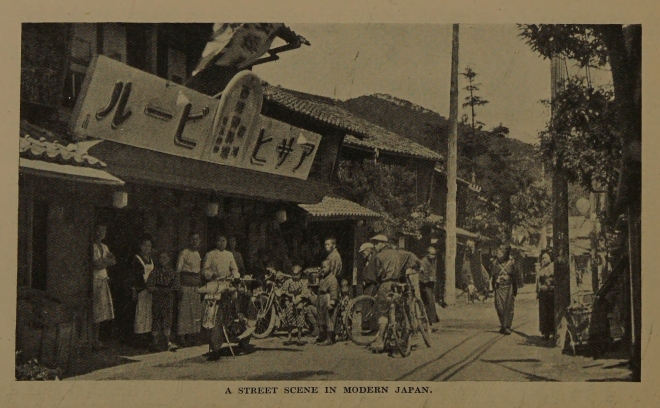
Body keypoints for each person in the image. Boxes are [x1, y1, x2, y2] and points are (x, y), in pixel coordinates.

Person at [368, 235, 421, 352]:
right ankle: (405, 335)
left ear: (382, 243)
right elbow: (414, 258)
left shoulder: (379, 256)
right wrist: (412, 269)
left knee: (383, 313)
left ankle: (380, 340)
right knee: (401, 308)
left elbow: (377, 275)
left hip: (386, 285)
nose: (375, 246)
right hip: (398, 284)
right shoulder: (399, 253)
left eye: (376, 243)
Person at [202, 235, 239, 361]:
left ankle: (233, 333)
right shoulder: (210, 254)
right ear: (215, 241)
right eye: (219, 240)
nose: (222, 243)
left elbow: (235, 269)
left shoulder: (229, 255)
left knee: (228, 313)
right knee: (213, 317)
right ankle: (215, 348)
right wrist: (212, 275)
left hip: (226, 285)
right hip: (214, 286)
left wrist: (234, 275)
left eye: (224, 240)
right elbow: (205, 270)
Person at [147, 252, 182, 352]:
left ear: (169, 259)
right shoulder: (154, 272)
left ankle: (167, 342)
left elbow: (176, 285)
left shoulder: (172, 272)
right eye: (160, 257)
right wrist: (157, 290)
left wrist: (170, 291)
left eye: (164, 257)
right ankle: (155, 342)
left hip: (168, 297)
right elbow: (149, 285)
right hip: (157, 297)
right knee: (156, 318)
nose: (162, 260)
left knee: (168, 318)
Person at [91, 224, 116, 351]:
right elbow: (96, 265)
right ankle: (93, 340)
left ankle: (96, 340)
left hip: (103, 279)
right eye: (99, 231)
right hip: (95, 280)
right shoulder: (93, 247)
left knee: (101, 311)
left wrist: (104, 262)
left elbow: (113, 260)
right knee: (95, 310)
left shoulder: (105, 247)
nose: (101, 234)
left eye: (103, 231)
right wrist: (105, 262)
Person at [176, 232, 203, 347]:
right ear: (189, 240)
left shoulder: (197, 254)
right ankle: (181, 336)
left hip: (195, 286)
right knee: (184, 312)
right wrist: (178, 286)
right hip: (185, 285)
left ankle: (192, 336)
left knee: (195, 311)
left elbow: (198, 271)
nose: (195, 242)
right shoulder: (184, 253)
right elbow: (178, 271)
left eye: (197, 239)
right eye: (193, 239)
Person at [491, 245, 521, 335]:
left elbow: (516, 276)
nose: (498, 254)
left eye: (501, 253)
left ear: (505, 254)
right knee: (499, 306)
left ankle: (507, 326)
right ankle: (503, 324)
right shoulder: (494, 263)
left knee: (508, 307)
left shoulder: (511, 263)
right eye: (498, 253)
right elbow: (492, 275)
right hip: (499, 287)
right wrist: (496, 280)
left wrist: (509, 278)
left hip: (509, 287)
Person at [131, 235, 155, 341]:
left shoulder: (151, 260)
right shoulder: (137, 259)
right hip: (141, 290)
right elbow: (134, 277)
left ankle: (147, 335)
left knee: (148, 313)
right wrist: (134, 290)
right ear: (140, 246)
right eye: (144, 245)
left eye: (149, 246)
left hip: (150, 290)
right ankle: (139, 336)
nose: (146, 248)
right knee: (140, 313)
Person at [311, 260, 338, 346]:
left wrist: (332, 302)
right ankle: (322, 336)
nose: (323, 269)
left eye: (325, 267)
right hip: (321, 299)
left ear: (330, 267)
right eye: (322, 267)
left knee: (328, 319)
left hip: (327, 298)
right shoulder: (323, 277)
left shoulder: (332, 279)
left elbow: (334, 291)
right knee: (321, 318)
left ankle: (329, 338)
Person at [280, 265, 310, 346]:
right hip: (290, 302)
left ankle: (299, 338)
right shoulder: (289, 281)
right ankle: (289, 337)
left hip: (299, 302)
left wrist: (299, 298)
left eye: (297, 274)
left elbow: (305, 292)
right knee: (289, 320)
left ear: (300, 274)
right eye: (293, 274)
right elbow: (283, 290)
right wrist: (290, 295)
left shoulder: (302, 282)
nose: (295, 276)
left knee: (300, 319)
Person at [419, 246, 440, 331]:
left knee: (430, 303)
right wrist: (428, 278)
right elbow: (421, 274)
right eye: (431, 254)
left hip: (430, 285)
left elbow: (433, 271)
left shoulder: (433, 261)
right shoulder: (423, 261)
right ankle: (427, 323)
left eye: (434, 254)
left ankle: (430, 322)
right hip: (424, 285)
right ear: (427, 254)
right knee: (428, 303)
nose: (433, 256)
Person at [537, 250, 555, 340]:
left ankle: (553, 332)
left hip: (551, 293)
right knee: (544, 313)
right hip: (543, 294)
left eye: (545, 257)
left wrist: (549, 285)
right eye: (542, 258)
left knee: (551, 312)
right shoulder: (542, 268)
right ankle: (546, 332)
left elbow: (554, 279)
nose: (543, 259)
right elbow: (539, 281)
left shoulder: (552, 266)